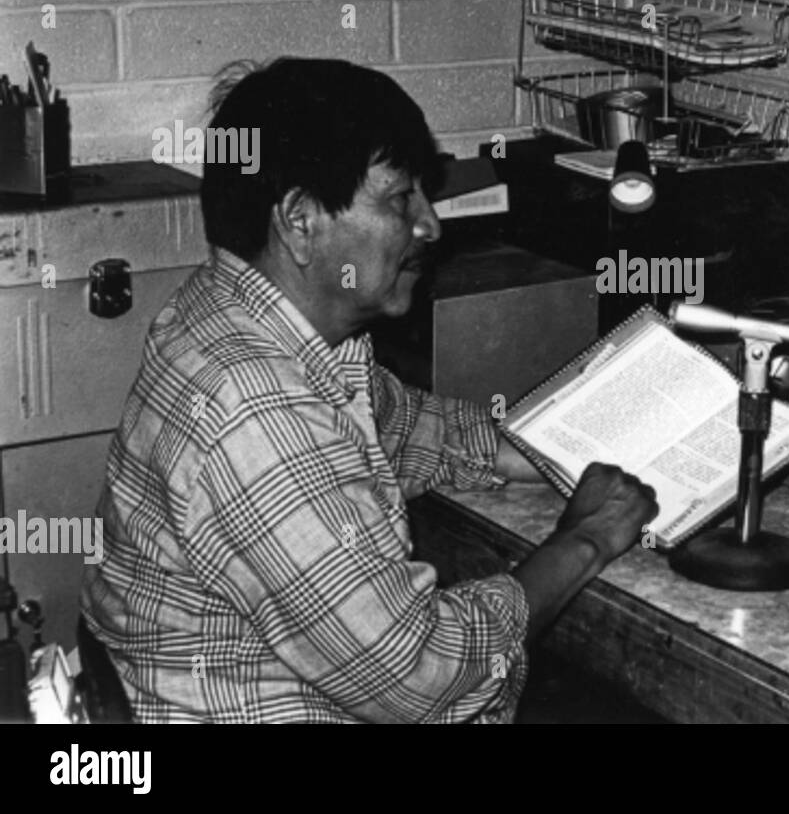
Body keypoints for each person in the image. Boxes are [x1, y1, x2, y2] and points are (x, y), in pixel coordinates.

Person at [80, 57, 658, 723]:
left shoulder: (236, 312)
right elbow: (421, 675)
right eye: (398, 199)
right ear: (300, 220)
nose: (431, 225)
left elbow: (401, 423)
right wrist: (586, 537)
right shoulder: (256, 410)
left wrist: (552, 450)